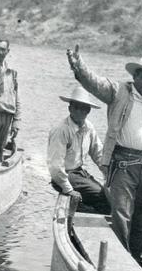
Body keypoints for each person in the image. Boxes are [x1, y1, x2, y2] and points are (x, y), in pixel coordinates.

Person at [66, 45, 142, 262]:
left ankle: (135, 255)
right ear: (135, 76)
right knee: (121, 214)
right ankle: (122, 261)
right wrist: (78, 65)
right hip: (123, 164)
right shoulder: (118, 91)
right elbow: (94, 83)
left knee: (141, 217)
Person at [47, 85, 110, 214]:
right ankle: (78, 210)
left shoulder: (89, 127)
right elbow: (55, 166)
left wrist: (108, 175)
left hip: (80, 173)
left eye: (85, 108)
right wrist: (68, 189)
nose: (81, 111)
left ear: (89, 111)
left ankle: (82, 210)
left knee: (108, 196)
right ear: (70, 108)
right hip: (64, 174)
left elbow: (98, 153)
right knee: (101, 196)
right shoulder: (61, 130)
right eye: (77, 107)